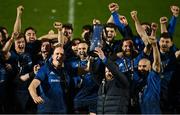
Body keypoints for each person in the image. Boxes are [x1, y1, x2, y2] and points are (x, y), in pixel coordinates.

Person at [28, 44, 70, 114]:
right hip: (45, 110)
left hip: (62, 110)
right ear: (52, 56)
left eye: (62, 54)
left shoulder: (67, 70)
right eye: (57, 53)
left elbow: (84, 70)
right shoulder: (45, 69)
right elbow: (31, 86)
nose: (59, 56)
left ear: (64, 57)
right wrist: (35, 96)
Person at [92, 47, 129, 114]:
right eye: (106, 71)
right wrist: (93, 61)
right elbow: (94, 74)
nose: (108, 73)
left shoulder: (122, 82)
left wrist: (104, 59)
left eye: (109, 71)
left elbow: (115, 71)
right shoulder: (103, 83)